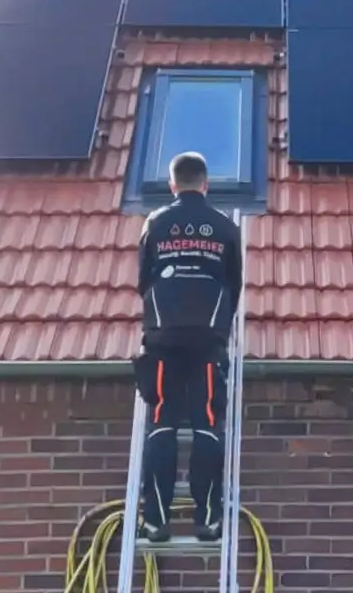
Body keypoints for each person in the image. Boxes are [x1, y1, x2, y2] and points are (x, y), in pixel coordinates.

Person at [132, 151, 243, 544]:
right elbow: (234, 284)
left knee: (161, 423)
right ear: (206, 184)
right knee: (207, 426)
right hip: (208, 342)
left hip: (162, 340)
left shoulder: (155, 222)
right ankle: (208, 519)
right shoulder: (225, 226)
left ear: (173, 185)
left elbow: (143, 279)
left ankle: (156, 521)